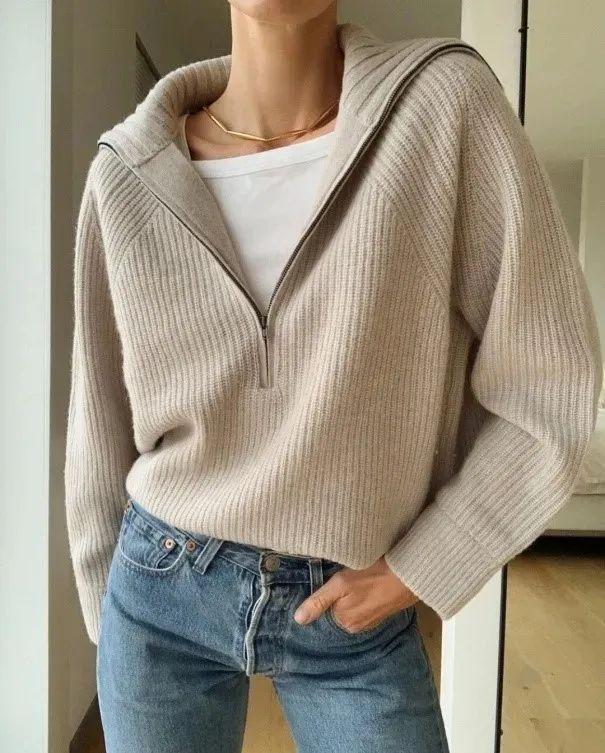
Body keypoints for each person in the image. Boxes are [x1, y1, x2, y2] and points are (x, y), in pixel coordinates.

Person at [64, 3, 602, 752]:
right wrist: (105, 604)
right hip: (159, 588)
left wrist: (426, 565)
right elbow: (97, 411)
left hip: (351, 605)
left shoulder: (442, 107)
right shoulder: (124, 173)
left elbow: (550, 384)